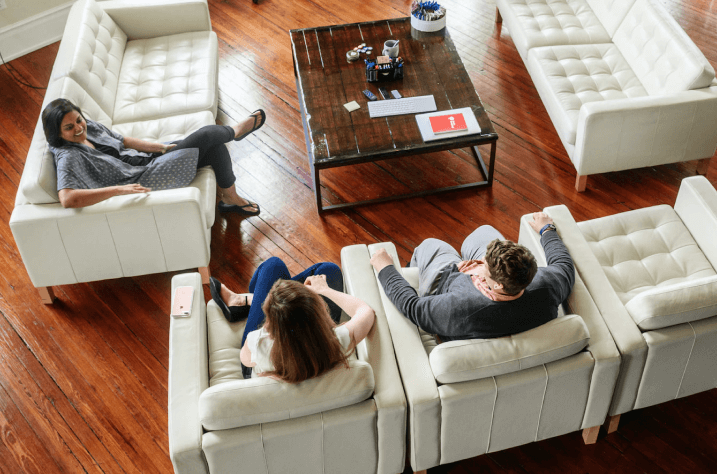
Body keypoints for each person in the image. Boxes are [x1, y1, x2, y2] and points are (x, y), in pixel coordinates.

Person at [369, 212, 574, 342]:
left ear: (497, 285)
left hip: (446, 284)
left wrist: (386, 268)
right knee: (483, 231)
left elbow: (412, 307)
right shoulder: (546, 284)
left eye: (484, 264)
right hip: (483, 287)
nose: (480, 261)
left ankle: (412, 270)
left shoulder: (459, 308)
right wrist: (547, 229)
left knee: (432, 245)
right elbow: (563, 264)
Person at [41, 98, 265, 215]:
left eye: (79, 120)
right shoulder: (67, 157)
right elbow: (68, 199)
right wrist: (118, 190)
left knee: (215, 147)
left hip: (146, 159)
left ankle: (230, 198)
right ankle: (235, 132)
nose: (79, 128)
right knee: (207, 134)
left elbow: (123, 141)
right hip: (144, 177)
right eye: (69, 127)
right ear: (57, 133)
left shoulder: (89, 126)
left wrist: (158, 147)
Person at [210, 257, 375, 382]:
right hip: (311, 336)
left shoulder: (259, 343)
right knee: (329, 269)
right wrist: (324, 290)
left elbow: (245, 359)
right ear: (319, 312)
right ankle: (271, 300)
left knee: (273, 265)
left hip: (270, 348)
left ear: (270, 327)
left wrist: (274, 316)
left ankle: (251, 301)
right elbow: (365, 311)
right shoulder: (337, 341)